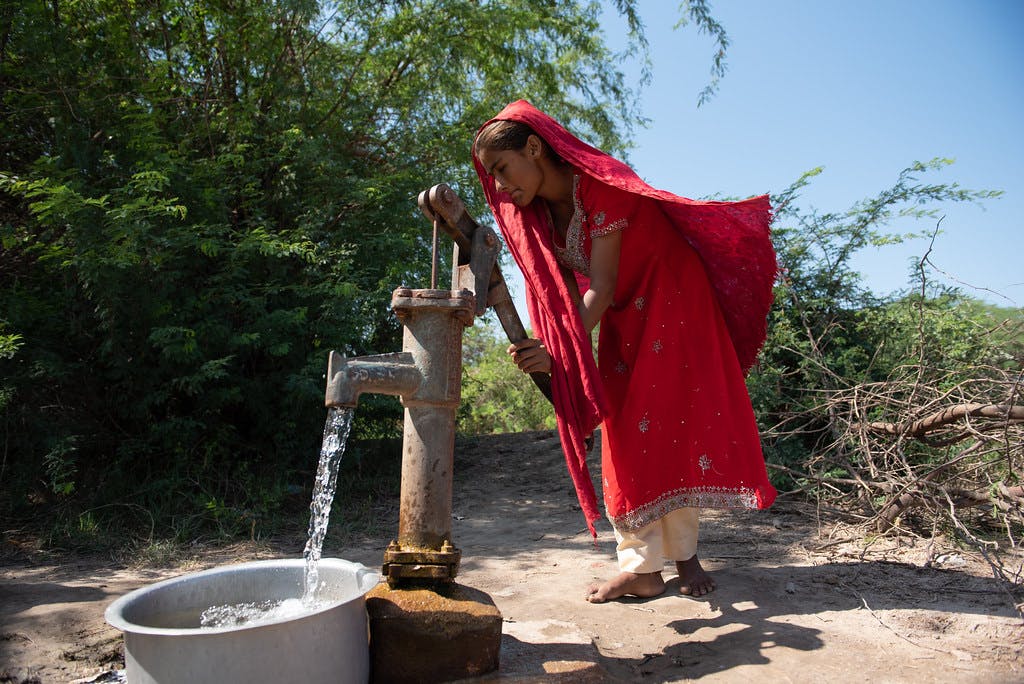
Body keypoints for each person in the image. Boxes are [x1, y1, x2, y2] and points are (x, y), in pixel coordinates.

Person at [472, 100, 777, 603]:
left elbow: (604, 284)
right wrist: (549, 345)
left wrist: (560, 352)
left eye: (502, 169)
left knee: (668, 422)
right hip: (622, 312)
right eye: (493, 176)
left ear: (533, 148)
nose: (500, 187)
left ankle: (682, 556)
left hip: (674, 298)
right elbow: (563, 296)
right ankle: (642, 566)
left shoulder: (600, 185)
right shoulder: (541, 215)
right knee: (626, 427)